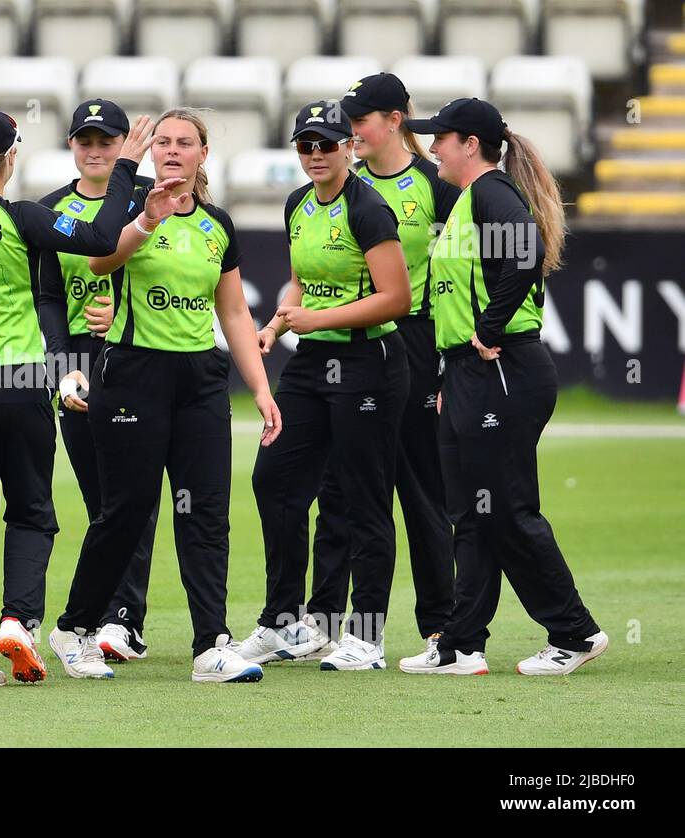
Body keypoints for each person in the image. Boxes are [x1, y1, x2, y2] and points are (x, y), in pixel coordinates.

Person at [0, 108, 167, 688]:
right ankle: (18, 619)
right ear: (10, 157)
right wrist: (125, 167)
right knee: (31, 513)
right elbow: (99, 238)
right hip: (17, 381)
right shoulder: (25, 218)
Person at [48, 108, 282, 684]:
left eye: (185, 143)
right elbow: (101, 259)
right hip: (130, 374)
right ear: (150, 152)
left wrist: (260, 387)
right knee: (124, 514)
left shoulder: (217, 225)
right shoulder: (128, 205)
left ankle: (211, 646)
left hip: (200, 381)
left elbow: (232, 312)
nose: (172, 151)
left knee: (206, 513)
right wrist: (146, 220)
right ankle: (73, 628)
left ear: (203, 154)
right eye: (163, 142)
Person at [398, 98, 607, 676]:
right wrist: (453, 373)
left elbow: (526, 255)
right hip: (472, 373)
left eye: (440, 137)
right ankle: (461, 645)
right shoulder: (473, 198)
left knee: (508, 509)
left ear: (469, 144)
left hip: (502, 368)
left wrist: (487, 332)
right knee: (473, 511)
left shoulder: (491, 193)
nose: (432, 146)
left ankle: (574, 631)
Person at [238, 100, 411, 672]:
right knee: (275, 479)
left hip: (369, 362)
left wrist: (317, 319)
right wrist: (274, 324)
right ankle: (284, 621)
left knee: (363, 497)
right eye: (305, 145)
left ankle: (366, 636)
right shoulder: (298, 204)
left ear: (349, 147)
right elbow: (299, 283)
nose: (315, 154)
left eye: (326, 144)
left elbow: (396, 299)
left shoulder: (369, 209)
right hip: (313, 363)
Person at [305, 73, 461, 661]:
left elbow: (469, 267)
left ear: (395, 119)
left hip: (416, 340)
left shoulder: (434, 184)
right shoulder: (346, 185)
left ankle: (441, 628)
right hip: (350, 344)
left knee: (421, 487)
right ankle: (323, 622)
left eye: (360, 119)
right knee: (340, 486)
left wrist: (456, 353)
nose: (349, 132)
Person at [38, 98, 159, 663]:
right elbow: (47, 298)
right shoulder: (51, 210)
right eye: (84, 140)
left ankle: (122, 620)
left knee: (133, 496)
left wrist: (128, 320)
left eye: (106, 141)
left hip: (138, 357)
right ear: (71, 146)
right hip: (80, 365)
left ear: (123, 147)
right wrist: (63, 370)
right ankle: (106, 614)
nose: (94, 150)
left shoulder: (147, 201)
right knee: (103, 500)